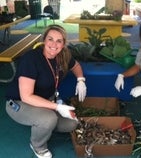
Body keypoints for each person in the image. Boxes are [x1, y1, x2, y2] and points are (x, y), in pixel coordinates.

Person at [5, 24, 87, 158]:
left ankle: (43, 124)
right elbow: (27, 97)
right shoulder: (31, 59)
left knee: (72, 123)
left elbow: (76, 65)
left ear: (63, 44)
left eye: (59, 41)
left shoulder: (63, 56)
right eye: (50, 39)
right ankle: (38, 145)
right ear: (44, 40)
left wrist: (81, 80)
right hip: (19, 103)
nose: (54, 44)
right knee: (48, 119)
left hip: (45, 102)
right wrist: (57, 107)